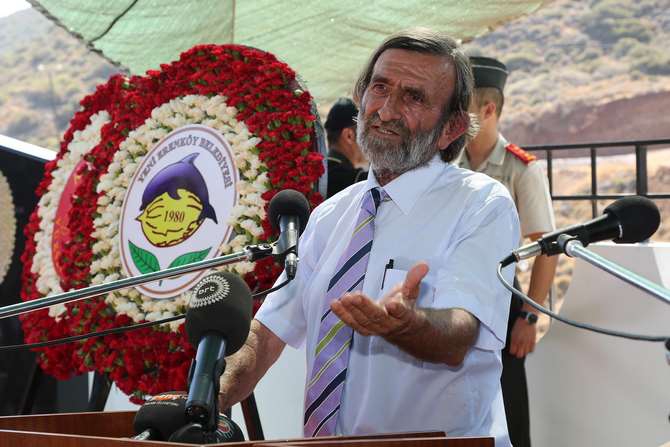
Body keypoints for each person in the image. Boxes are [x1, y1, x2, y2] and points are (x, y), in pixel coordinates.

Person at [219, 29, 520, 446]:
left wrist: (408, 325)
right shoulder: (330, 216)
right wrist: (208, 398)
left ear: (451, 128)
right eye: (379, 88)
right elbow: (266, 333)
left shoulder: (481, 204)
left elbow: (460, 334)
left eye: (414, 97)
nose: (387, 110)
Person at [455, 56, 558, 447]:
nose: (454, 117)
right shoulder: (449, 164)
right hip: (452, 296)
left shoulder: (521, 169)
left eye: (462, 108)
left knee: (509, 406)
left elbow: (547, 247)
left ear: (488, 110)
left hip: (502, 299)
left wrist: (529, 316)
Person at [324, 98, 368, 197]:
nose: (370, 142)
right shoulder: (356, 180)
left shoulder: (315, 172)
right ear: (349, 136)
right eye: (366, 134)